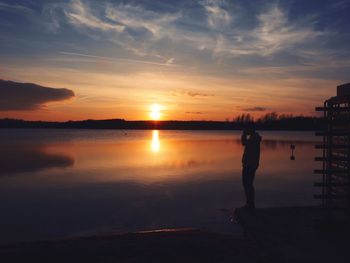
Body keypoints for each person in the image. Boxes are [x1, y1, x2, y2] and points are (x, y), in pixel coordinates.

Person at [241, 122, 262, 209]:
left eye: (247, 128)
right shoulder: (254, 138)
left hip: (250, 164)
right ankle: (249, 203)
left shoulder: (254, 138)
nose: (245, 130)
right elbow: (245, 143)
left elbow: (244, 143)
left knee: (248, 184)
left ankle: (250, 204)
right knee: (247, 184)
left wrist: (243, 135)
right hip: (249, 164)